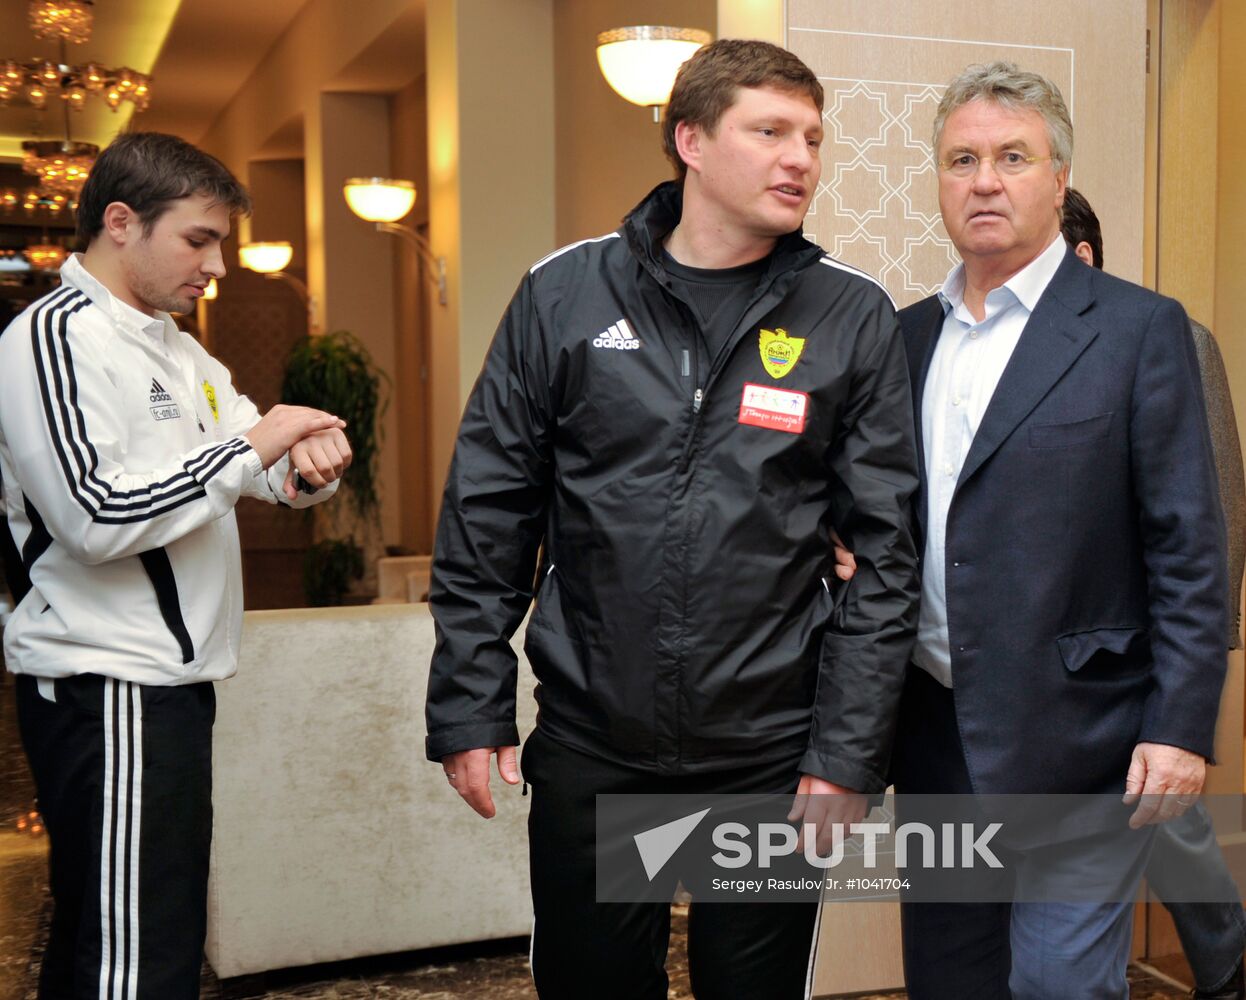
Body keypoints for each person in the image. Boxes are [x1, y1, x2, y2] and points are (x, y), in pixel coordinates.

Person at [425, 38, 921, 1000]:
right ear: (690, 140)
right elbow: (490, 512)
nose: (800, 160)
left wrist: (846, 753)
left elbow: (887, 555)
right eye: (770, 131)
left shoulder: (850, 316)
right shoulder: (565, 292)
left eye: (812, 137)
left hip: (771, 753)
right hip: (595, 740)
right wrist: (469, 704)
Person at [886, 62, 1227, 999]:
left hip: (1085, 736)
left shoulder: (1137, 331)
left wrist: (1180, 726)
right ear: (940, 180)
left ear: (1058, 178)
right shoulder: (905, 338)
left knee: (1059, 985)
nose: (983, 180)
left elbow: (1191, 547)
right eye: (961, 159)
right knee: (949, 982)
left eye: (1011, 157)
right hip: (935, 731)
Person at [0, 131, 351, 999]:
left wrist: (302, 467)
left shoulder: (178, 349)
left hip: (167, 683)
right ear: (121, 222)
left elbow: (247, 466)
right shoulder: (51, 339)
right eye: (199, 239)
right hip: (107, 682)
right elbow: (96, 513)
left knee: (114, 934)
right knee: (136, 960)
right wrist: (256, 443)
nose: (216, 266)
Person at [1062, 186, 1246, 1000]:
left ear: (1084, 257)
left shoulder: (1167, 335)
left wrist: (1201, 656)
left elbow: (1218, 507)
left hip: (1146, 647)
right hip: (1053, 657)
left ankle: (1227, 964)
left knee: (1167, 816)